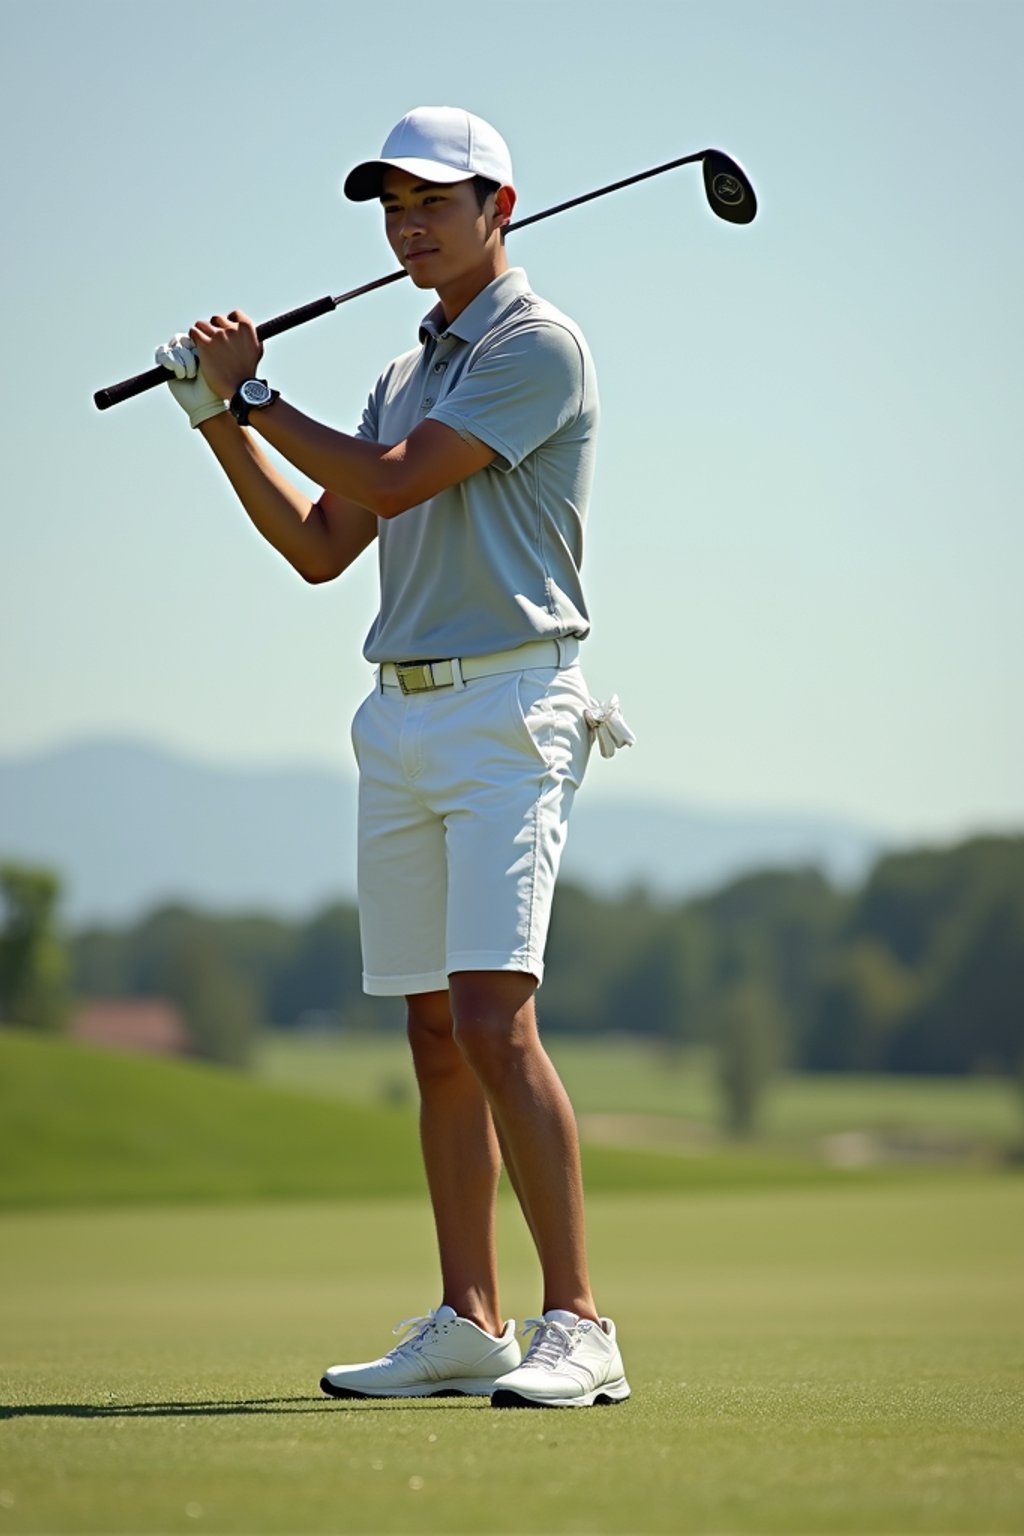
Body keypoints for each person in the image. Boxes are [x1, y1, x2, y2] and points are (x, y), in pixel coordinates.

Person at [156, 105, 633, 1410]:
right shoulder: (401, 368)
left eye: (434, 199)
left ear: (501, 207)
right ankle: (468, 1320)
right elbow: (323, 543)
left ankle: (581, 1326)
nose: (408, 222)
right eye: (391, 205)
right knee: (433, 1031)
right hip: (401, 714)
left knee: (493, 1017)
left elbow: (398, 477)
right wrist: (220, 422)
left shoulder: (537, 347)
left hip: (511, 709)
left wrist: (257, 386)